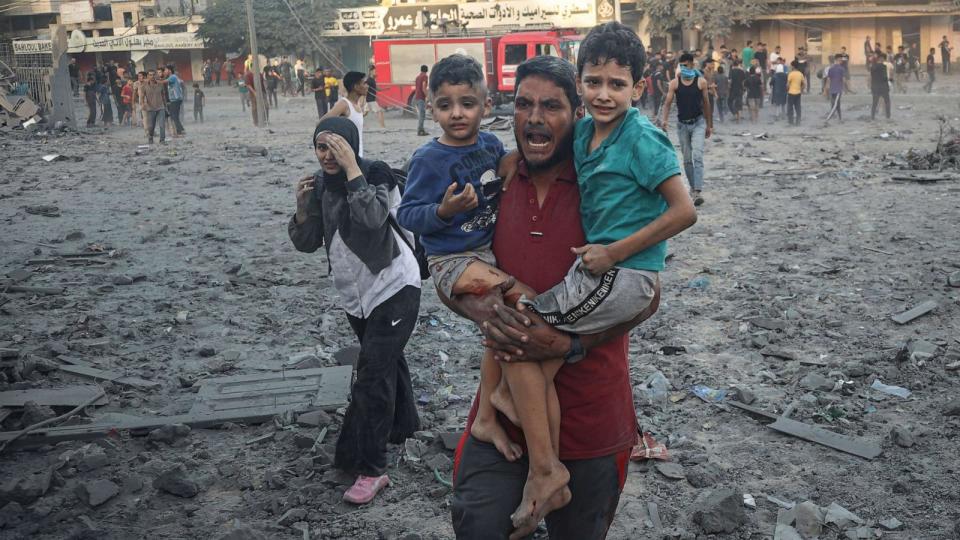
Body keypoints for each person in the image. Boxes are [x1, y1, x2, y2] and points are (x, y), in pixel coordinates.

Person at [445, 51, 688, 540]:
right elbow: (446, 265)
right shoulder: (493, 183)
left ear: (576, 115)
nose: (535, 118)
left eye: (551, 106)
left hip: (592, 417)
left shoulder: (604, 182)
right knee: (479, 528)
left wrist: (569, 345)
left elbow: (649, 294)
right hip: (502, 415)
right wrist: (485, 304)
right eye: (524, 104)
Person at [288, 117, 422, 506]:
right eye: (321, 146)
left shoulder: (376, 176)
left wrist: (353, 172)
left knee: (371, 377)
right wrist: (301, 208)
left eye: (337, 146)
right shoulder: (319, 187)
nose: (328, 155)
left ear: (353, 145)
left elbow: (371, 219)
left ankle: (371, 467)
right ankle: (404, 425)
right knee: (387, 362)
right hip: (356, 296)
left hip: (396, 287)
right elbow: (307, 241)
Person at [661, 52, 712, 206]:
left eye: (686, 65)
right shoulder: (674, 83)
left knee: (697, 155)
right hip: (682, 125)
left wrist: (709, 125)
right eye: (681, 65)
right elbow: (668, 103)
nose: (683, 68)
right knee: (687, 159)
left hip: (698, 123)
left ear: (692, 64)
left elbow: (706, 104)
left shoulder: (701, 82)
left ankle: (697, 190)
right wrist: (664, 119)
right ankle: (692, 188)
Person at [320, 71, 368, 157]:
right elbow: (322, 123)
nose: (367, 86)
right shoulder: (344, 104)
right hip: (347, 157)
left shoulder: (357, 104)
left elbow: (351, 121)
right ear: (356, 87)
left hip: (358, 154)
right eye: (364, 83)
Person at [141, 70, 166, 144]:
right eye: (150, 75)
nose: (152, 77)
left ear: (156, 76)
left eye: (153, 75)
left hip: (161, 107)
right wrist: (143, 104)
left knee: (162, 124)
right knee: (151, 126)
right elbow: (142, 97)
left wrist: (165, 105)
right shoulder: (144, 86)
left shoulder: (160, 84)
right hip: (150, 108)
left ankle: (162, 140)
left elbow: (163, 95)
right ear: (148, 76)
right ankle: (150, 137)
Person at [162, 65, 185, 136]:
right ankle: (180, 129)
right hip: (176, 99)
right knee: (175, 116)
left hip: (175, 99)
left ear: (169, 70)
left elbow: (165, 81)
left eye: (165, 70)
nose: (164, 72)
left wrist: (155, 81)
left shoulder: (172, 77)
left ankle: (180, 130)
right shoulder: (172, 77)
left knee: (173, 116)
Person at [869, 54, 891, 121]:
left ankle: (872, 116)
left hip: (875, 86)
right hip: (883, 87)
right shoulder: (883, 66)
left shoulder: (872, 67)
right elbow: (885, 77)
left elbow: (871, 76)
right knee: (887, 102)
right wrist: (888, 85)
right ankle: (888, 116)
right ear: (882, 59)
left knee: (874, 103)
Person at [824, 55, 845, 125]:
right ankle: (827, 119)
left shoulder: (830, 69)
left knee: (837, 104)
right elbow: (843, 80)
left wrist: (826, 90)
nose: (841, 61)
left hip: (832, 89)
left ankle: (840, 118)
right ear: (838, 60)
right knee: (836, 105)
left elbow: (828, 80)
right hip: (838, 89)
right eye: (841, 59)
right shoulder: (841, 69)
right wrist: (844, 88)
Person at [786, 60, 805, 125]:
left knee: (790, 108)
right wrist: (801, 90)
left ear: (793, 66)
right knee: (798, 107)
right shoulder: (800, 74)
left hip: (791, 93)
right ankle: (798, 121)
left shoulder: (791, 74)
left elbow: (788, 84)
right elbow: (804, 84)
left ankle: (791, 121)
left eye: (791, 65)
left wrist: (787, 90)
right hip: (798, 93)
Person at [414, 65, 429, 136]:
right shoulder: (425, 77)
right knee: (422, 115)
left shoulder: (417, 77)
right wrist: (427, 96)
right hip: (421, 98)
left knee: (421, 114)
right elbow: (423, 87)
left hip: (416, 97)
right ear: (427, 70)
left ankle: (421, 130)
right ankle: (420, 131)